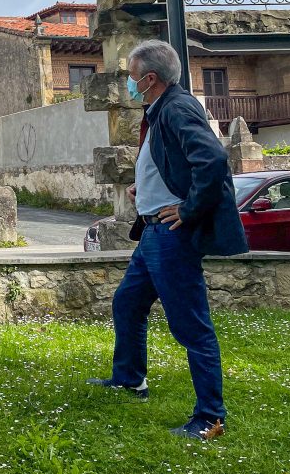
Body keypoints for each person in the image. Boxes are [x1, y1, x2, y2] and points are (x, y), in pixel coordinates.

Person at [87, 40, 248, 441]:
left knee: (192, 327)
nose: (128, 82)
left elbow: (211, 160)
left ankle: (211, 417)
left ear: (150, 79)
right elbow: (172, 161)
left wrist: (189, 210)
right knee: (128, 302)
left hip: (171, 235)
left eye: (131, 75)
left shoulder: (175, 107)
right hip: (153, 232)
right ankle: (129, 378)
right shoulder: (160, 109)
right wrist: (144, 189)